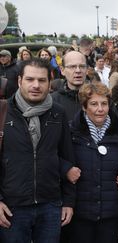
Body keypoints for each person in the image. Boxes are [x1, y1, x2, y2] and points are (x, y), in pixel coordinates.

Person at [0, 58, 75, 243]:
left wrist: (68, 202)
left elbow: (67, 158)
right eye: (30, 79)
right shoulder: (2, 111)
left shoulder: (58, 113)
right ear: (19, 81)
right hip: (12, 207)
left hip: (50, 205)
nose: (36, 85)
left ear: (50, 83)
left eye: (42, 80)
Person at [69, 82, 118, 243]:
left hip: (111, 213)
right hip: (80, 212)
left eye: (104, 104)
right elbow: (59, 159)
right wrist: (66, 168)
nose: (100, 109)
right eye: (94, 104)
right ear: (84, 106)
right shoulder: (71, 132)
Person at [52, 51, 88, 121]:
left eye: (82, 66)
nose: (78, 70)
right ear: (62, 70)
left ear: (87, 69)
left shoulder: (100, 98)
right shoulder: (52, 101)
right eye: (72, 67)